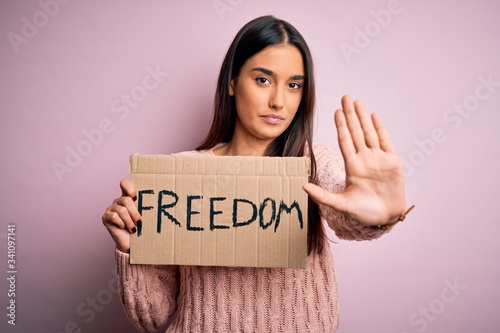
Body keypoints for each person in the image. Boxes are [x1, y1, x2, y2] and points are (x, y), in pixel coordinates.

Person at [102, 15, 411, 332]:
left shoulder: (316, 164)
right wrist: (130, 249)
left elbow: (347, 217)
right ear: (233, 83)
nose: (278, 101)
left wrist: (375, 217)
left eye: (293, 86)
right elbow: (154, 317)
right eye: (263, 80)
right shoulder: (180, 174)